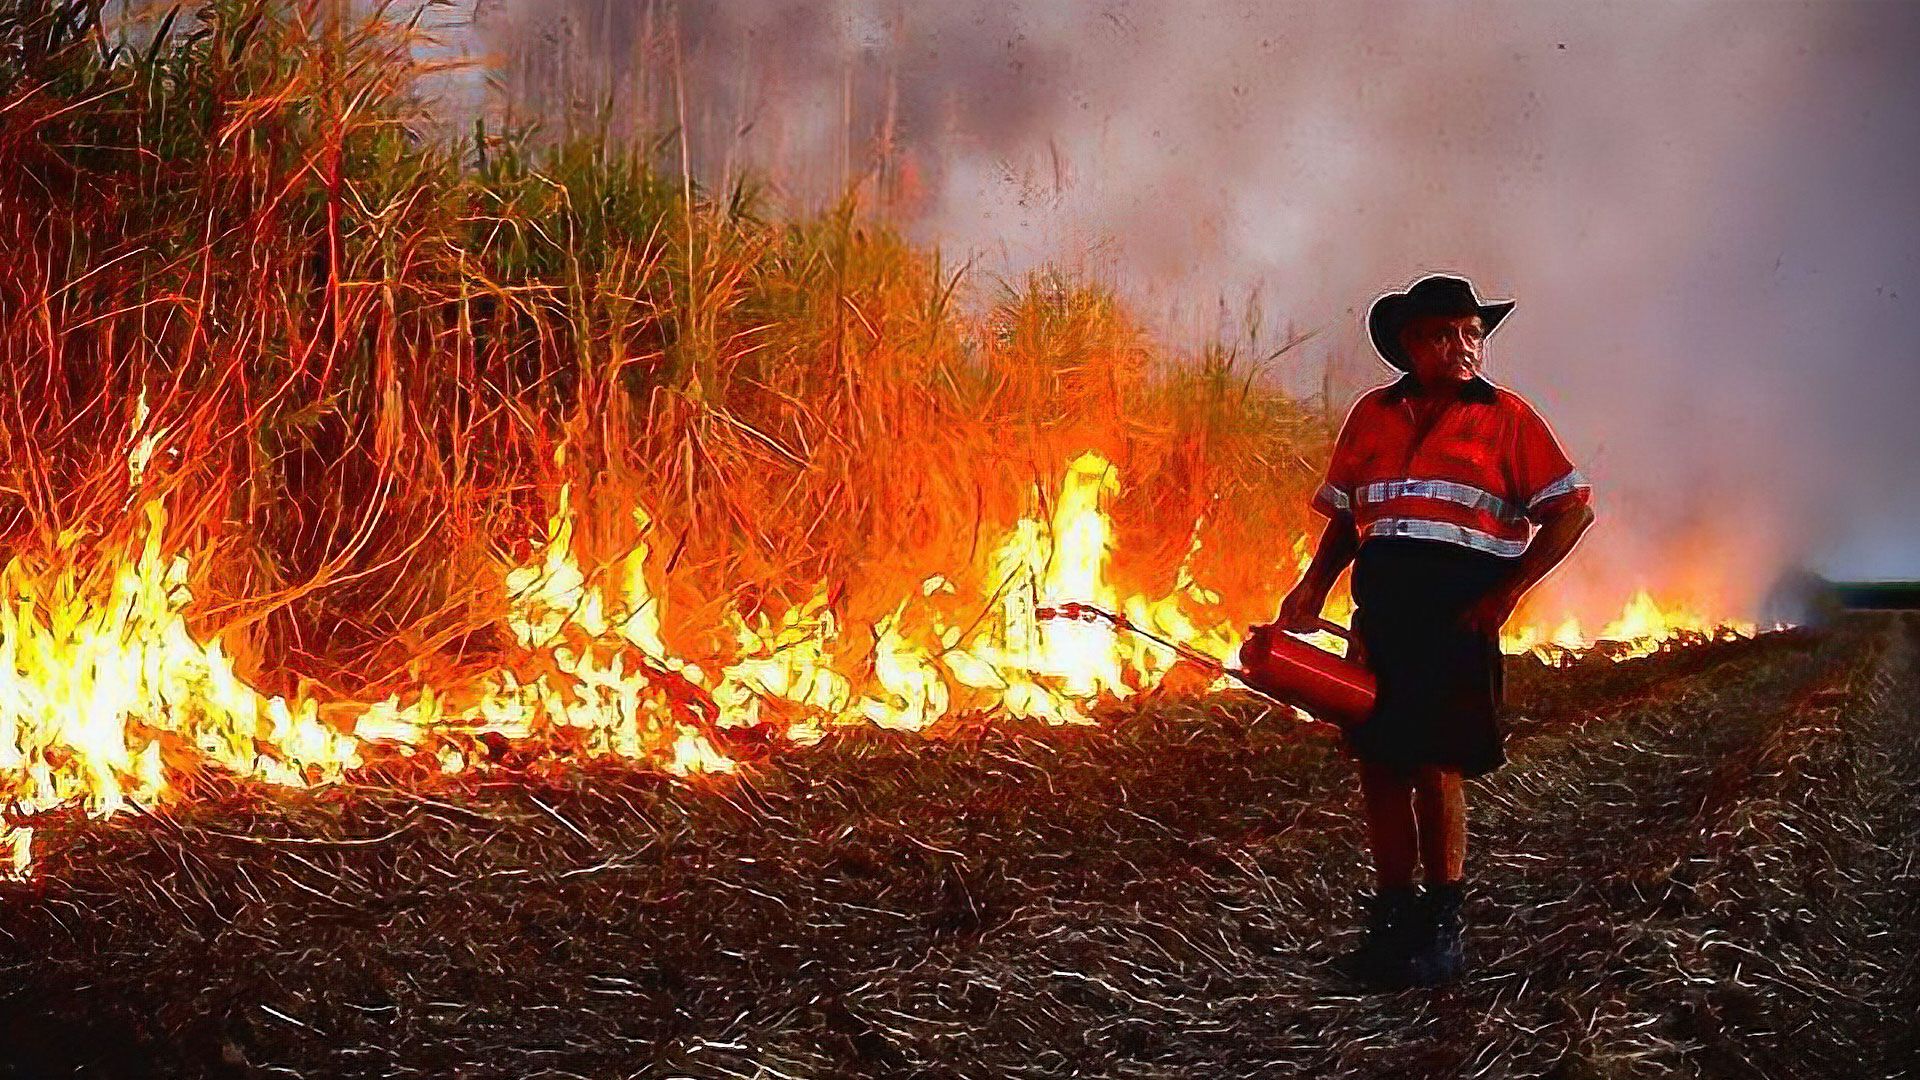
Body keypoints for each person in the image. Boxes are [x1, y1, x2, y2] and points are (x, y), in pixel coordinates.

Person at [1264, 274, 1595, 988]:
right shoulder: (1370, 416)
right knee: (1380, 763)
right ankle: (1391, 922)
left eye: (1473, 332)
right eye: (1445, 333)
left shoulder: (1509, 418)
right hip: (1381, 614)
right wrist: (1311, 588)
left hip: (1454, 616)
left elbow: (1571, 512)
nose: (1464, 346)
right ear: (1410, 344)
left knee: (1437, 764)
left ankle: (1443, 929)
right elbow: (1349, 519)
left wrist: (1506, 593)